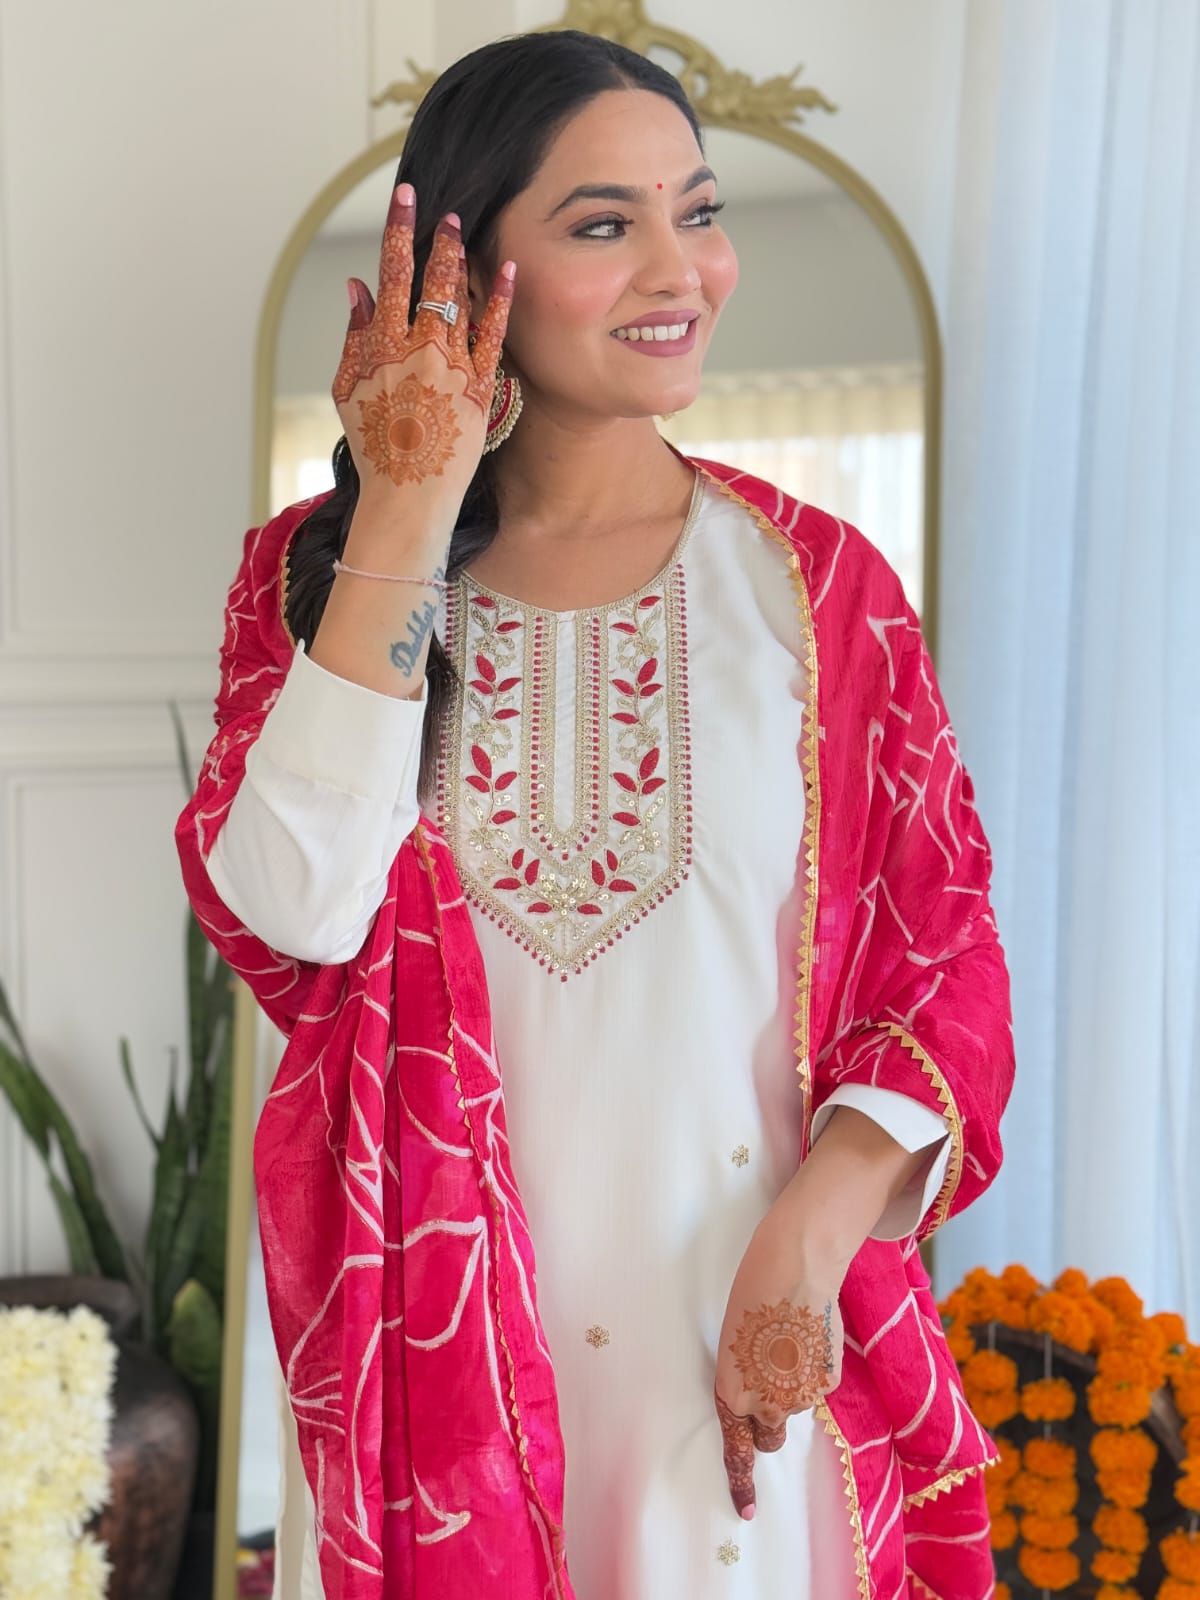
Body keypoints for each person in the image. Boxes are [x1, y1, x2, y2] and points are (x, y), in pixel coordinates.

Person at [176, 29, 1014, 1600]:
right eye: (604, 224)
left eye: (698, 212)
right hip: (430, 1388)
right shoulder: (311, 582)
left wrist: (818, 1231)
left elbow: (945, 961)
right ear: (459, 267)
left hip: (738, 1358)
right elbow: (291, 913)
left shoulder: (816, 593)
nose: (683, 269)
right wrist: (408, 512)